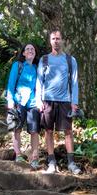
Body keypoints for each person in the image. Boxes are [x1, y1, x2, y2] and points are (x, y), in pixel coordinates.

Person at [36, 30, 81, 175]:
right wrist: (38, 100)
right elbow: (39, 82)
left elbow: (74, 82)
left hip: (65, 101)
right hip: (48, 100)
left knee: (68, 131)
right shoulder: (44, 60)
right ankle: (51, 162)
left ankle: (71, 163)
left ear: (62, 41)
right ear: (50, 41)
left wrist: (74, 102)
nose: (56, 41)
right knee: (49, 131)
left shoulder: (70, 60)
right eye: (53, 38)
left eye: (58, 38)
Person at [6, 43, 40, 170]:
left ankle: (35, 157)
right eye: (28, 49)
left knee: (34, 130)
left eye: (32, 49)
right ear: (24, 53)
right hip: (19, 101)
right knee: (17, 128)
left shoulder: (37, 68)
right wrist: (10, 101)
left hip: (33, 103)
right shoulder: (18, 66)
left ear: (35, 53)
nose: (30, 50)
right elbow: (11, 84)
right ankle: (18, 155)